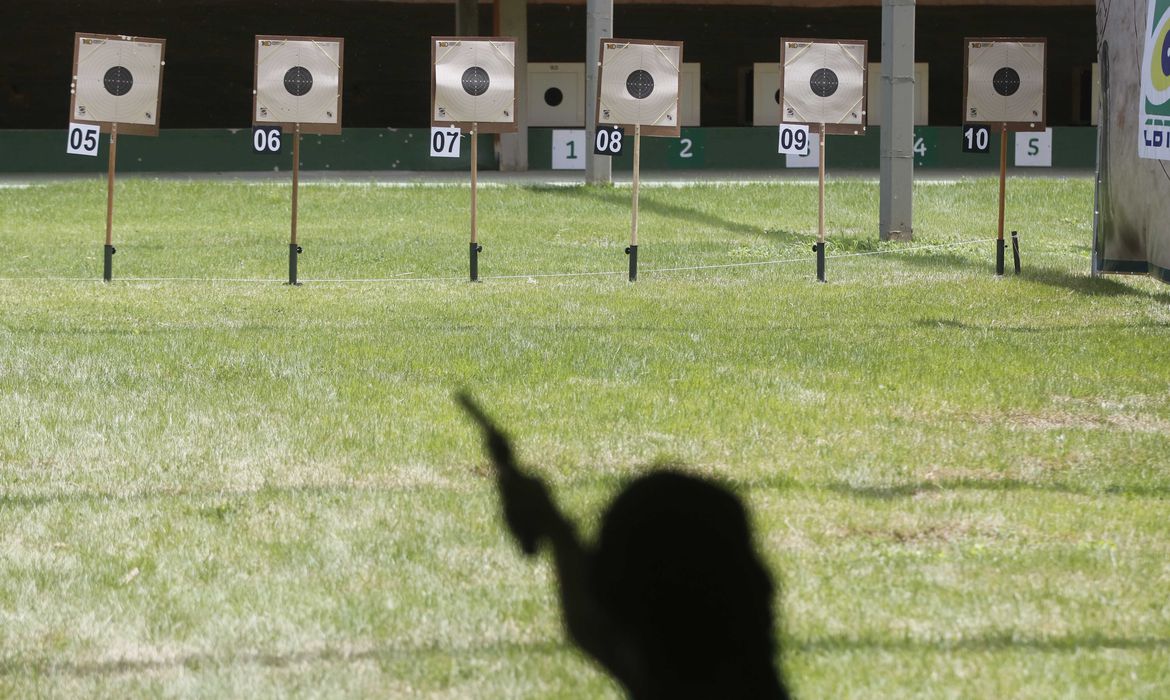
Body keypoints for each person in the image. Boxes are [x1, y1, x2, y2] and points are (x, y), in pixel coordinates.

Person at [458, 393, 790, 699]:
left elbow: (597, 629)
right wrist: (556, 529)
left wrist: (555, 531)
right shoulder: (734, 665)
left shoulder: (648, 671)